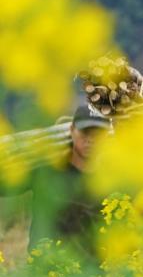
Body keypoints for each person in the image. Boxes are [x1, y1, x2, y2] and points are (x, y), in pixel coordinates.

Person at [0, 105, 112, 258]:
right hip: (47, 271)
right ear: (72, 130)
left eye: (97, 134)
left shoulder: (112, 181)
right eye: (85, 132)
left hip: (93, 275)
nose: (90, 140)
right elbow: (6, 187)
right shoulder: (48, 171)